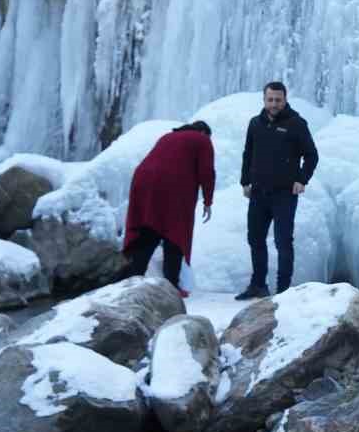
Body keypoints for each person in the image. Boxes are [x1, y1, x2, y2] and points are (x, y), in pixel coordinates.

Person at [236, 81, 319, 299]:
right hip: (258, 192)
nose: (274, 104)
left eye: (278, 100)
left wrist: (302, 179)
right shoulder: (256, 123)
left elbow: (312, 155)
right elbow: (248, 153)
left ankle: (283, 291)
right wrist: (245, 181)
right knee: (255, 238)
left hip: (284, 194)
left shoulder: (296, 123)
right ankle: (258, 285)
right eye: (270, 99)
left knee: (283, 241)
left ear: (285, 99)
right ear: (264, 100)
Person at [119, 121, 215, 295]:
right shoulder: (202, 139)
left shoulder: (168, 136)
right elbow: (207, 171)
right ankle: (171, 286)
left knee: (149, 230)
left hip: (143, 180)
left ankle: (132, 280)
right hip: (171, 185)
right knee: (175, 234)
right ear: (203, 132)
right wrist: (208, 201)